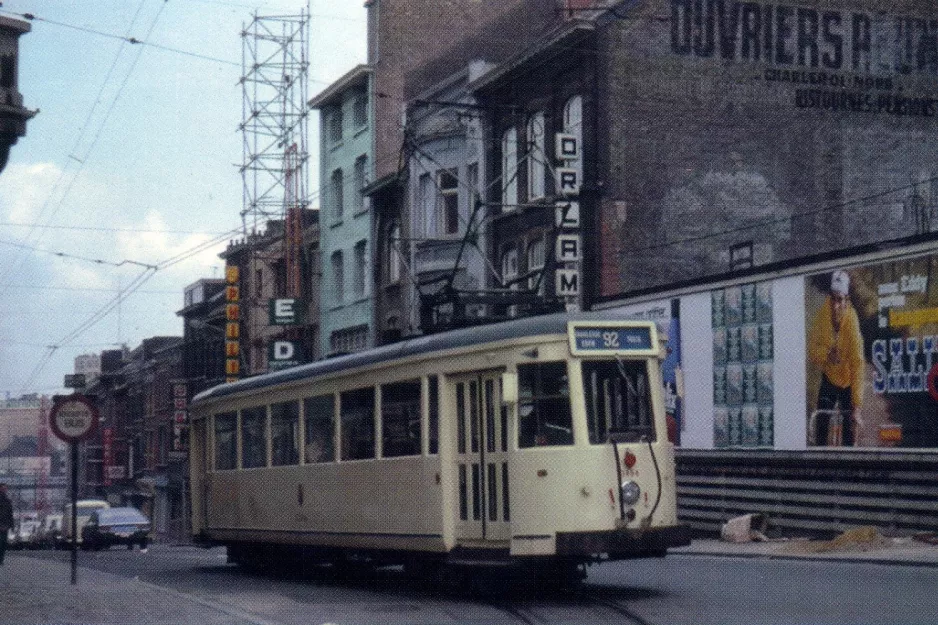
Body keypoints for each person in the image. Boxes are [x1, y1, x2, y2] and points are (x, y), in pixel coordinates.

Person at [808, 270, 865, 446]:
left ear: (846, 300)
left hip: (847, 381)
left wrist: (856, 406)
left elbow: (858, 364)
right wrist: (826, 355)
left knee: (849, 430)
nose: (835, 305)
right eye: (833, 298)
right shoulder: (822, 315)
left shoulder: (852, 322)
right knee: (821, 426)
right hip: (829, 378)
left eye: (840, 299)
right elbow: (811, 350)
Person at [0, 483, 13, 565]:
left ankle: (1, 559)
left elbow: (10, 513)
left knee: (4, 543)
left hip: (5, 525)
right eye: (3, 488)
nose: (5, 490)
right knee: (1, 543)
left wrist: (11, 525)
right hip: (2, 525)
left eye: (5, 488)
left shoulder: (7, 500)